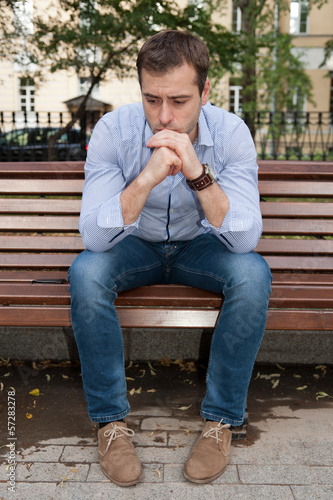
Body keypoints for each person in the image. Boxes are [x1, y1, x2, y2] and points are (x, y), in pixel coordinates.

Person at [69, 29, 272, 487]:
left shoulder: (232, 133)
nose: (164, 116)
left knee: (253, 276)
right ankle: (110, 425)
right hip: (132, 244)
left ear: (204, 91)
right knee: (86, 273)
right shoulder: (113, 130)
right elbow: (95, 236)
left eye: (179, 101)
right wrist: (148, 176)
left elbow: (244, 238)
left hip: (202, 246)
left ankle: (221, 422)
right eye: (152, 99)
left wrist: (196, 173)